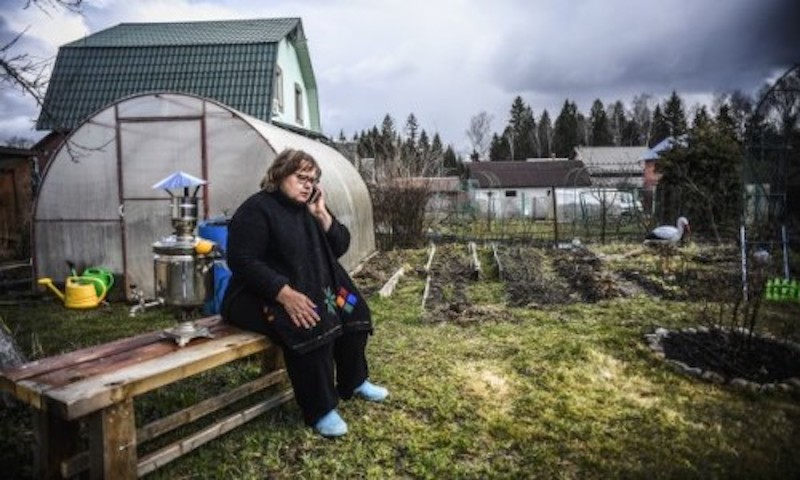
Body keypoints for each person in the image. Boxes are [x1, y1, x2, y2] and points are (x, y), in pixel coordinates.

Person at [221, 148, 387, 438]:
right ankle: (320, 408)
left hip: (314, 286)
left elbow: (339, 246)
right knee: (311, 323)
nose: (308, 184)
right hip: (256, 295)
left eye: (312, 179)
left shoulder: (309, 208)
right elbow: (242, 260)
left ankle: (354, 381)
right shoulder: (257, 209)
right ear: (279, 174)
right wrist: (283, 293)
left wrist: (322, 214)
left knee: (354, 311)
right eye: (301, 177)